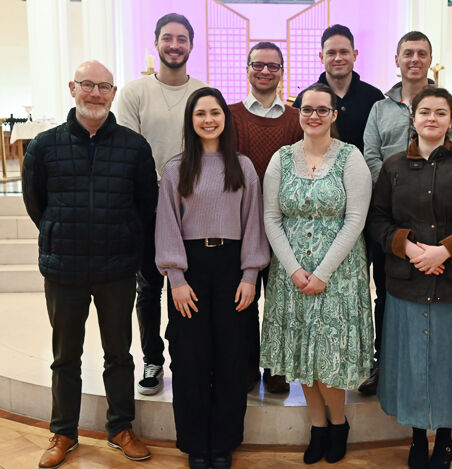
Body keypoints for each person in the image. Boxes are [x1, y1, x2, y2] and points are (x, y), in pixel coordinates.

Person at [22, 60, 157, 469]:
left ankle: (120, 428)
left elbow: (144, 205)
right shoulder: (44, 146)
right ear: (72, 88)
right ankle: (63, 432)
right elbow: (36, 204)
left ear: (114, 93)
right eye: (87, 85)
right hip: (64, 269)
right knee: (65, 356)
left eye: (103, 87)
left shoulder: (134, 146)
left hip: (117, 269)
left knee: (119, 354)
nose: (95, 93)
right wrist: (61, 229)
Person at [368, 87, 452, 469]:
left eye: (441, 113)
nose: (432, 119)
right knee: (412, 362)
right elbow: (377, 220)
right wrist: (408, 248)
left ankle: (444, 437)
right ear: (412, 117)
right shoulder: (392, 168)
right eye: (425, 111)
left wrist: (445, 251)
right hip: (408, 279)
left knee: (448, 362)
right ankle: (415, 437)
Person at [155, 87, 270, 469]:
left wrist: (250, 274)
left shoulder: (243, 166)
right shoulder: (176, 169)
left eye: (215, 113)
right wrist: (176, 279)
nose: (208, 119)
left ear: (226, 118)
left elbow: (254, 221)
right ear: (191, 120)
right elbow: (167, 224)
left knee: (231, 358)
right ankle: (194, 442)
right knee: (189, 359)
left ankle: (223, 442)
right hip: (189, 269)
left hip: (232, 269)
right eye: (200, 113)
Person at [261, 83, 373, 465]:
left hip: (338, 274)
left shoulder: (350, 157)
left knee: (329, 355)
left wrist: (322, 272)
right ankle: (318, 426)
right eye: (307, 109)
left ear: (334, 115)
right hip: (290, 272)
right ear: (298, 113)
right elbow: (271, 218)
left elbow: (356, 219)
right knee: (302, 354)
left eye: (322, 110)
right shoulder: (281, 158)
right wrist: (293, 269)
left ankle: (338, 423)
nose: (313, 116)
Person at [359, 31, 452, 396]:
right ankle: (384, 362)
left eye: (422, 53)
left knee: (435, 291)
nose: (414, 59)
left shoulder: (448, 105)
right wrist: (398, 188)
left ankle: (429, 363)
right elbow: (370, 154)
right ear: (398, 60)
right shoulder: (379, 107)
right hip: (388, 215)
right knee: (387, 291)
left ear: (429, 59)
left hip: (438, 214)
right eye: (408, 53)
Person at [117, 13, 207, 396]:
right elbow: (128, 150)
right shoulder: (135, 92)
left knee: (189, 284)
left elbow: (208, 147)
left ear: (191, 45)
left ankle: (192, 356)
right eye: (168, 38)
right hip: (148, 204)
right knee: (150, 286)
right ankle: (153, 358)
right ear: (156, 43)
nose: (175, 45)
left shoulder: (202, 92)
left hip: (193, 205)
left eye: (182, 38)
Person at [229, 41, 302, 394]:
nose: (265, 72)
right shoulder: (228, 115)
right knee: (243, 299)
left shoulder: (295, 119)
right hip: (239, 225)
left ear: (281, 73)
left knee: (281, 301)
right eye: (258, 65)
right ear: (247, 69)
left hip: (284, 226)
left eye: (273, 66)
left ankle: (276, 367)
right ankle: (243, 367)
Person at [293, 24, 384, 154]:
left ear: (355, 55)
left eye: (344, 52)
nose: (338, 58)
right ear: (321, 57)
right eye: (331, 53)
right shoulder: (305, 99)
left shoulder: (374, 97)